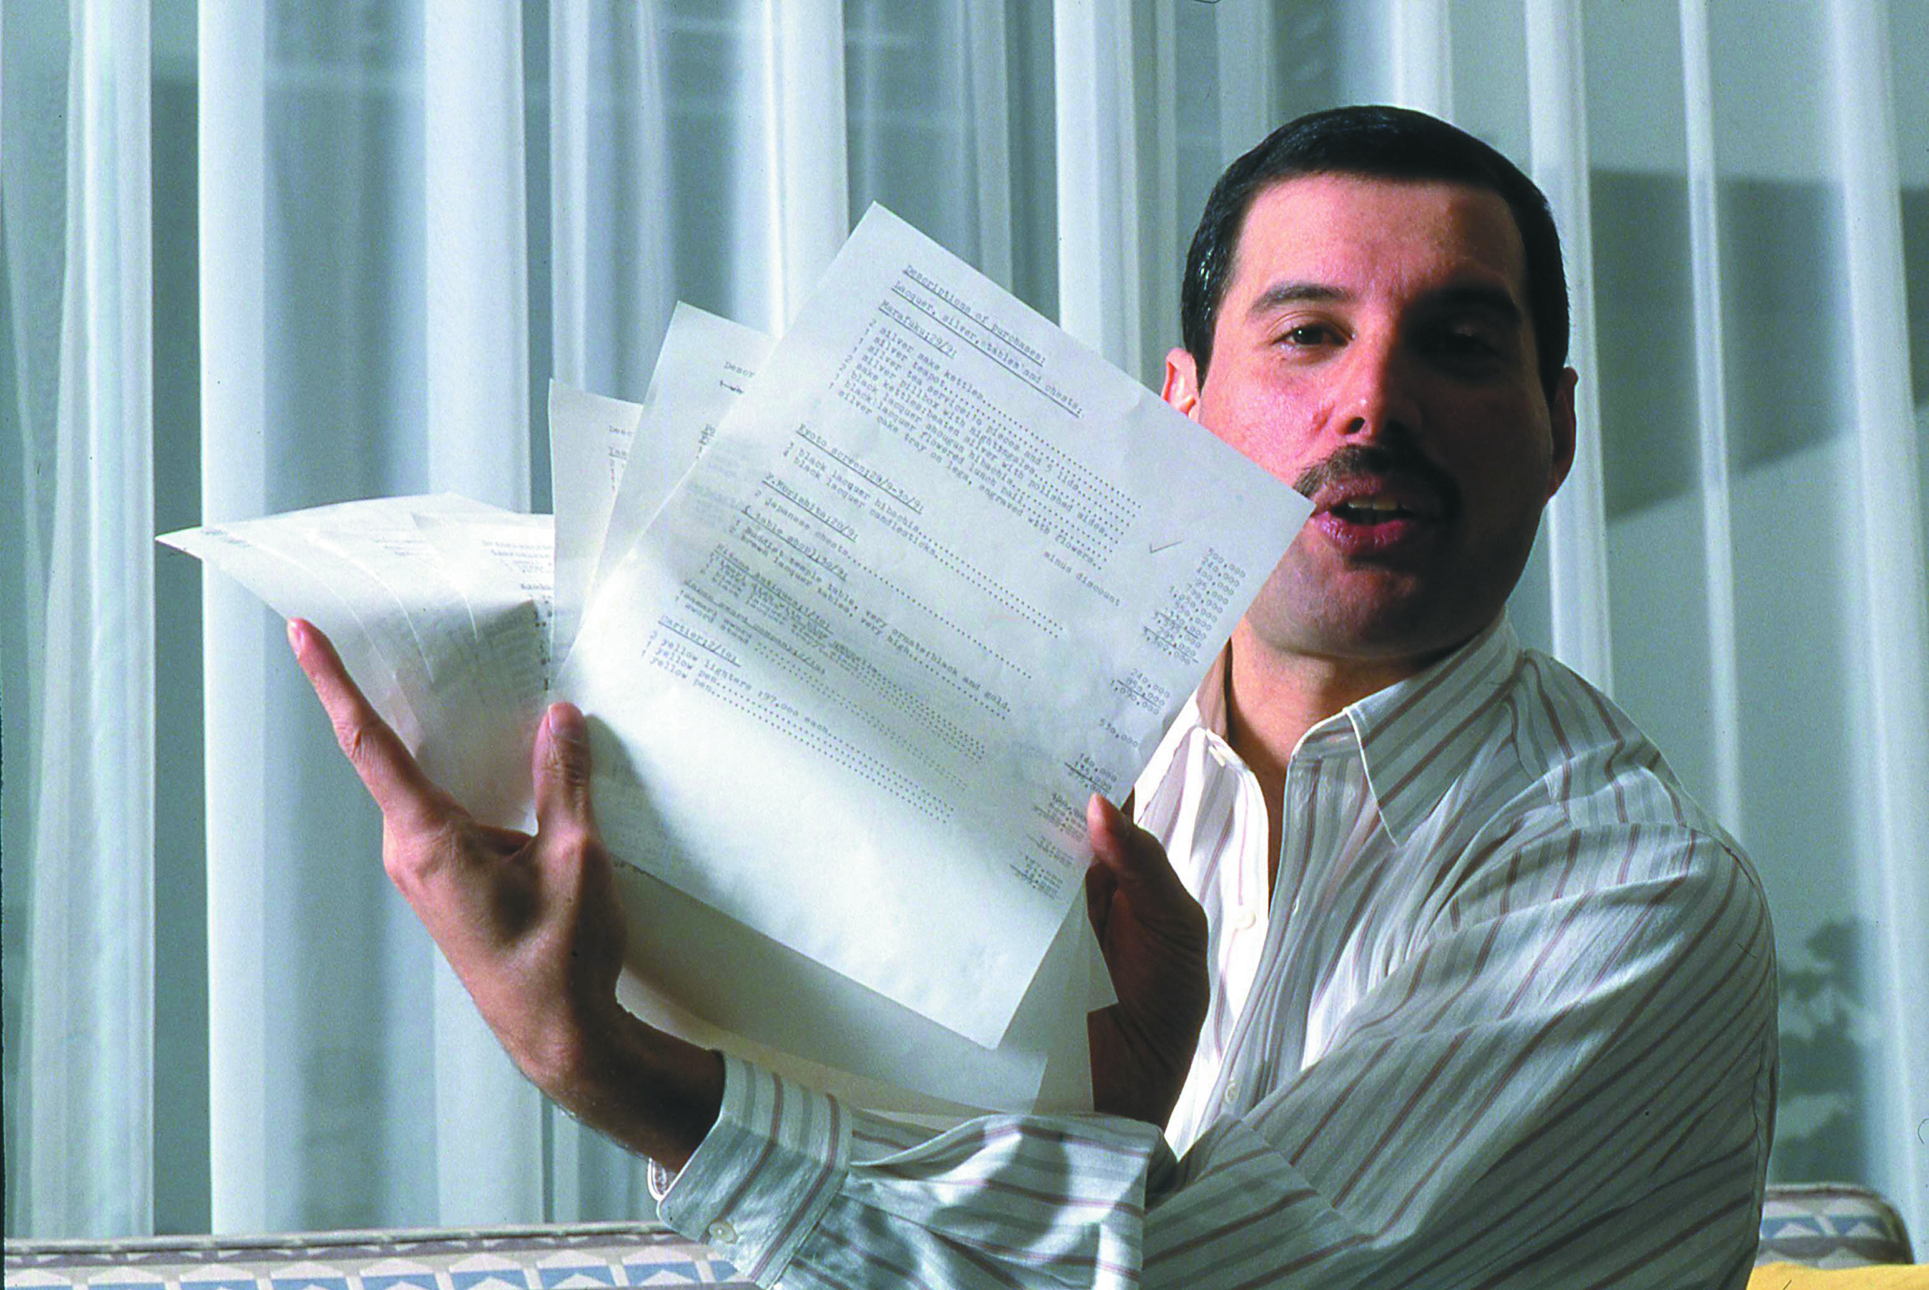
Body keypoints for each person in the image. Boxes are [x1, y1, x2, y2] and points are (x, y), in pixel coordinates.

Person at [289, 105, 1776, 1287]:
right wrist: (1091, 1138)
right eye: (1308, 333)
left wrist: (625, 1077)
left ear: (1559, 427)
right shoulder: (1018, 758)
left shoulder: (1637, 890)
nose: (1373, 402)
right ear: (1180, 405)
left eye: (1458, 342)